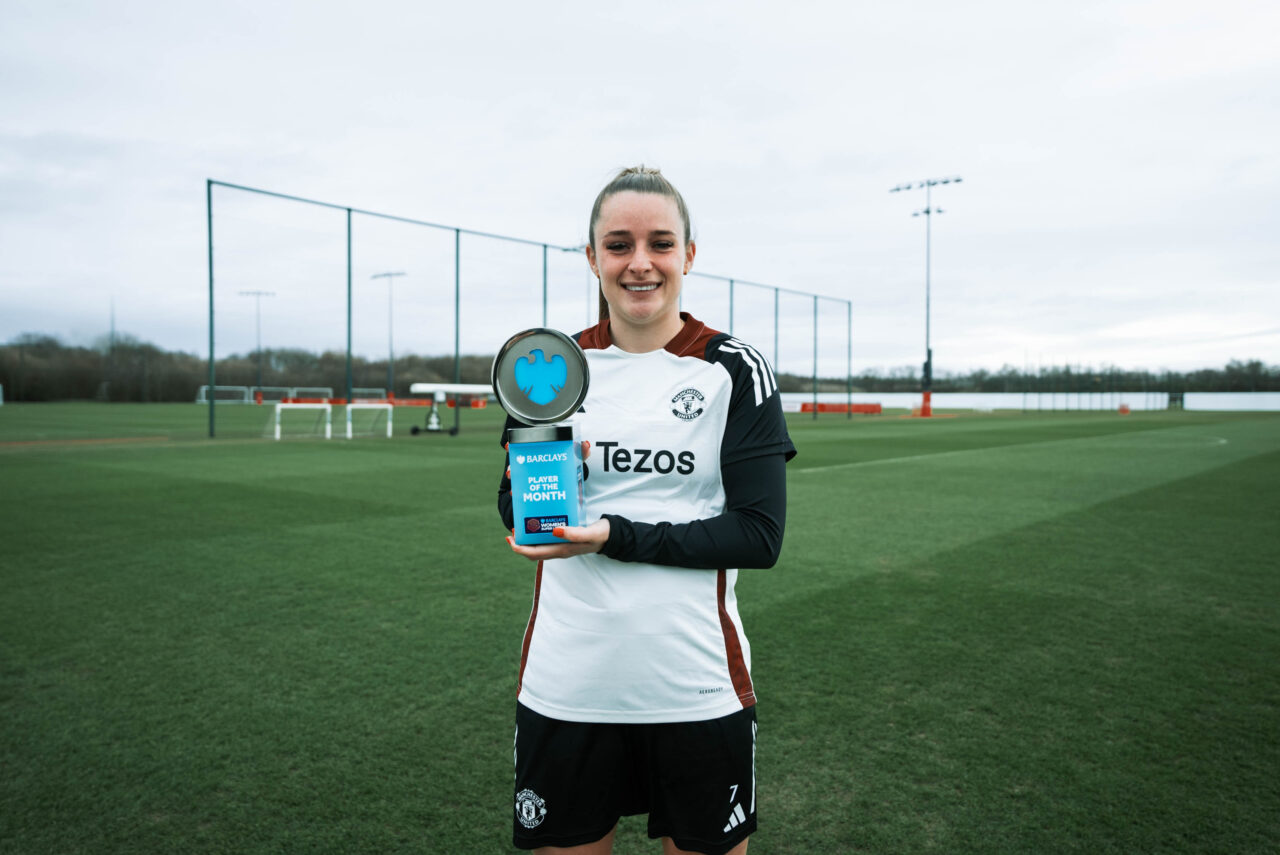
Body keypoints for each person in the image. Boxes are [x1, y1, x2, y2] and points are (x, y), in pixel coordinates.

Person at [497, 166, 796, 855]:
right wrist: (543, 501)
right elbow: (516, 504)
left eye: (660, 243)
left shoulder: (733, 369)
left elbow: (758, 534)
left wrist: (612, 535)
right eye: (619, 243)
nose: (640, 262)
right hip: (568, 684)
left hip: (695, 687)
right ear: (592, 256)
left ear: (689, 254)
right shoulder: (553, 365)